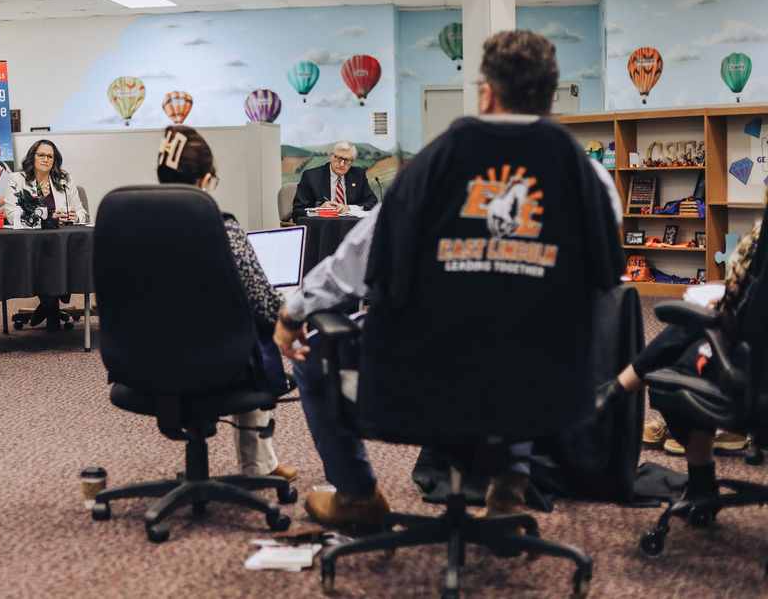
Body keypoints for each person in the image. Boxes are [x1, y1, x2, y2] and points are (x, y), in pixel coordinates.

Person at [274, 29, 624, 527]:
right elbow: (604, 281)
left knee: (311, 360)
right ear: (550, 96)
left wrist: (293, 312)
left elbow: (354, 260)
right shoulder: (592, 180)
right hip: (549, 387)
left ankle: (356, 495)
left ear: (486, 92)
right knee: (519, 331)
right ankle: (512, 472)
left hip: (420, 381)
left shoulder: (431, 167)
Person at [597, 199, 765, 516]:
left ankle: (619, 390)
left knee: (678, 362)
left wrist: (718, 302)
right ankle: (618, 389)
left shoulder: (760, 240)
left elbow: (734, 314)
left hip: (752, 375)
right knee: (693, 333)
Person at [156, 124, 297, 482]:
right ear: (205, 179)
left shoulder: (132, 226)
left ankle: (261, 463)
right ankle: (258, 466)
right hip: (214, 362)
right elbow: (264, 305)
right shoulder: (221, 228)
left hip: (144, 359)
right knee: (255, 334)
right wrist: (291, 312)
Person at [3, 139, 90, 329]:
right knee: (46, 259)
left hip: (61, 244)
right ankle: (51, 305)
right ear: (32, 157)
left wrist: (75, 216)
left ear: (55, 160)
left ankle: (47, 305)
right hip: (31, 245)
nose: (45, 159)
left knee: (59, 257)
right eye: (41, 155)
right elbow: (10, 215)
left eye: (50, 156)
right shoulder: (17, 180)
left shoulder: (65, 180)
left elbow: (82, 212)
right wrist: (48, 218)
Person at [290, 141, 379, 221]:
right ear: (331, 156)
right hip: (322, 228)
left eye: (347, 160)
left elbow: (373, 202)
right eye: (339, 158)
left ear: (352, 161)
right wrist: (320, 210)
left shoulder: (358, 175)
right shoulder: (311, 177)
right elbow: (297, 212)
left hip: (350, 228)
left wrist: (348, 208)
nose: (341, 164)